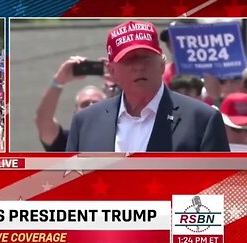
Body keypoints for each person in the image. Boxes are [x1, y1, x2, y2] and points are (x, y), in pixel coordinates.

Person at [65, 20, 230, 152]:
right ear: (112, 70)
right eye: (129, 59)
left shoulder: (202, 120)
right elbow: (71, 191)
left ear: (162, 64)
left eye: (146, 57)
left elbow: (216, 192)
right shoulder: (85, 122)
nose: (139, 66)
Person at [35, 84, 106, 152]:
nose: (91, 107)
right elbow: (43, 121)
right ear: (75, 112)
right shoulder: (66, 142)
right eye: (85, 104)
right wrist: (59, 81)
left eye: (96, 104)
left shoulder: (116, 140)